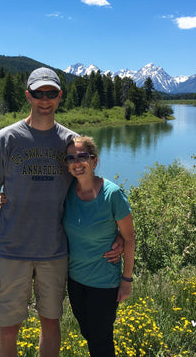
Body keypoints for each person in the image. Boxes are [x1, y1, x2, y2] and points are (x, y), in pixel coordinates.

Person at [0, 68, 122, 357]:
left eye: (51, 93)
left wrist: (117, 232)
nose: (44, 100)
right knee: (7, 328)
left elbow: (91, 190)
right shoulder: (4, 139)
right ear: (28, 95)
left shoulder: (71, 143)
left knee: (51, 322)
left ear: (59, 96)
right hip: (11, 251)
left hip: (56, 252)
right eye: (38, 93)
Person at [63, 136, 136, 357]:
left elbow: (130, 238)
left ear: (95, 161)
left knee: (100, 340)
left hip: (104, 283)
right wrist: (9, 199)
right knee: (88, 332)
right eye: (71, 158)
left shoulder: (112, 194)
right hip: (75, 281)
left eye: (82, 156)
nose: (77, 162)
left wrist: (126, 280)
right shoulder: (66, 192)